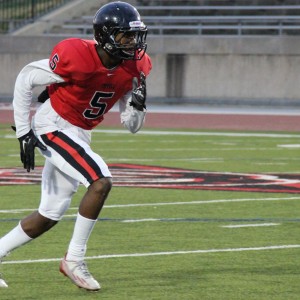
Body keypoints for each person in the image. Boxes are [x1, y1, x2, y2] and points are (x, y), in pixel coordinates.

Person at [0, 1, 152, 291]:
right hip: (52, 124)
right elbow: (26, 78)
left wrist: (139, 106)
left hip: (80, 132)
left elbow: (131, 126)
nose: (133, 43)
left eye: (135, 36)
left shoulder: (135, 65)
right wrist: (23, 132)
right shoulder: (76, 56)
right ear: (106, 35)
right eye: (126, 36)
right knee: (100, 181)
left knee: (49, 214)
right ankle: (74, 259)